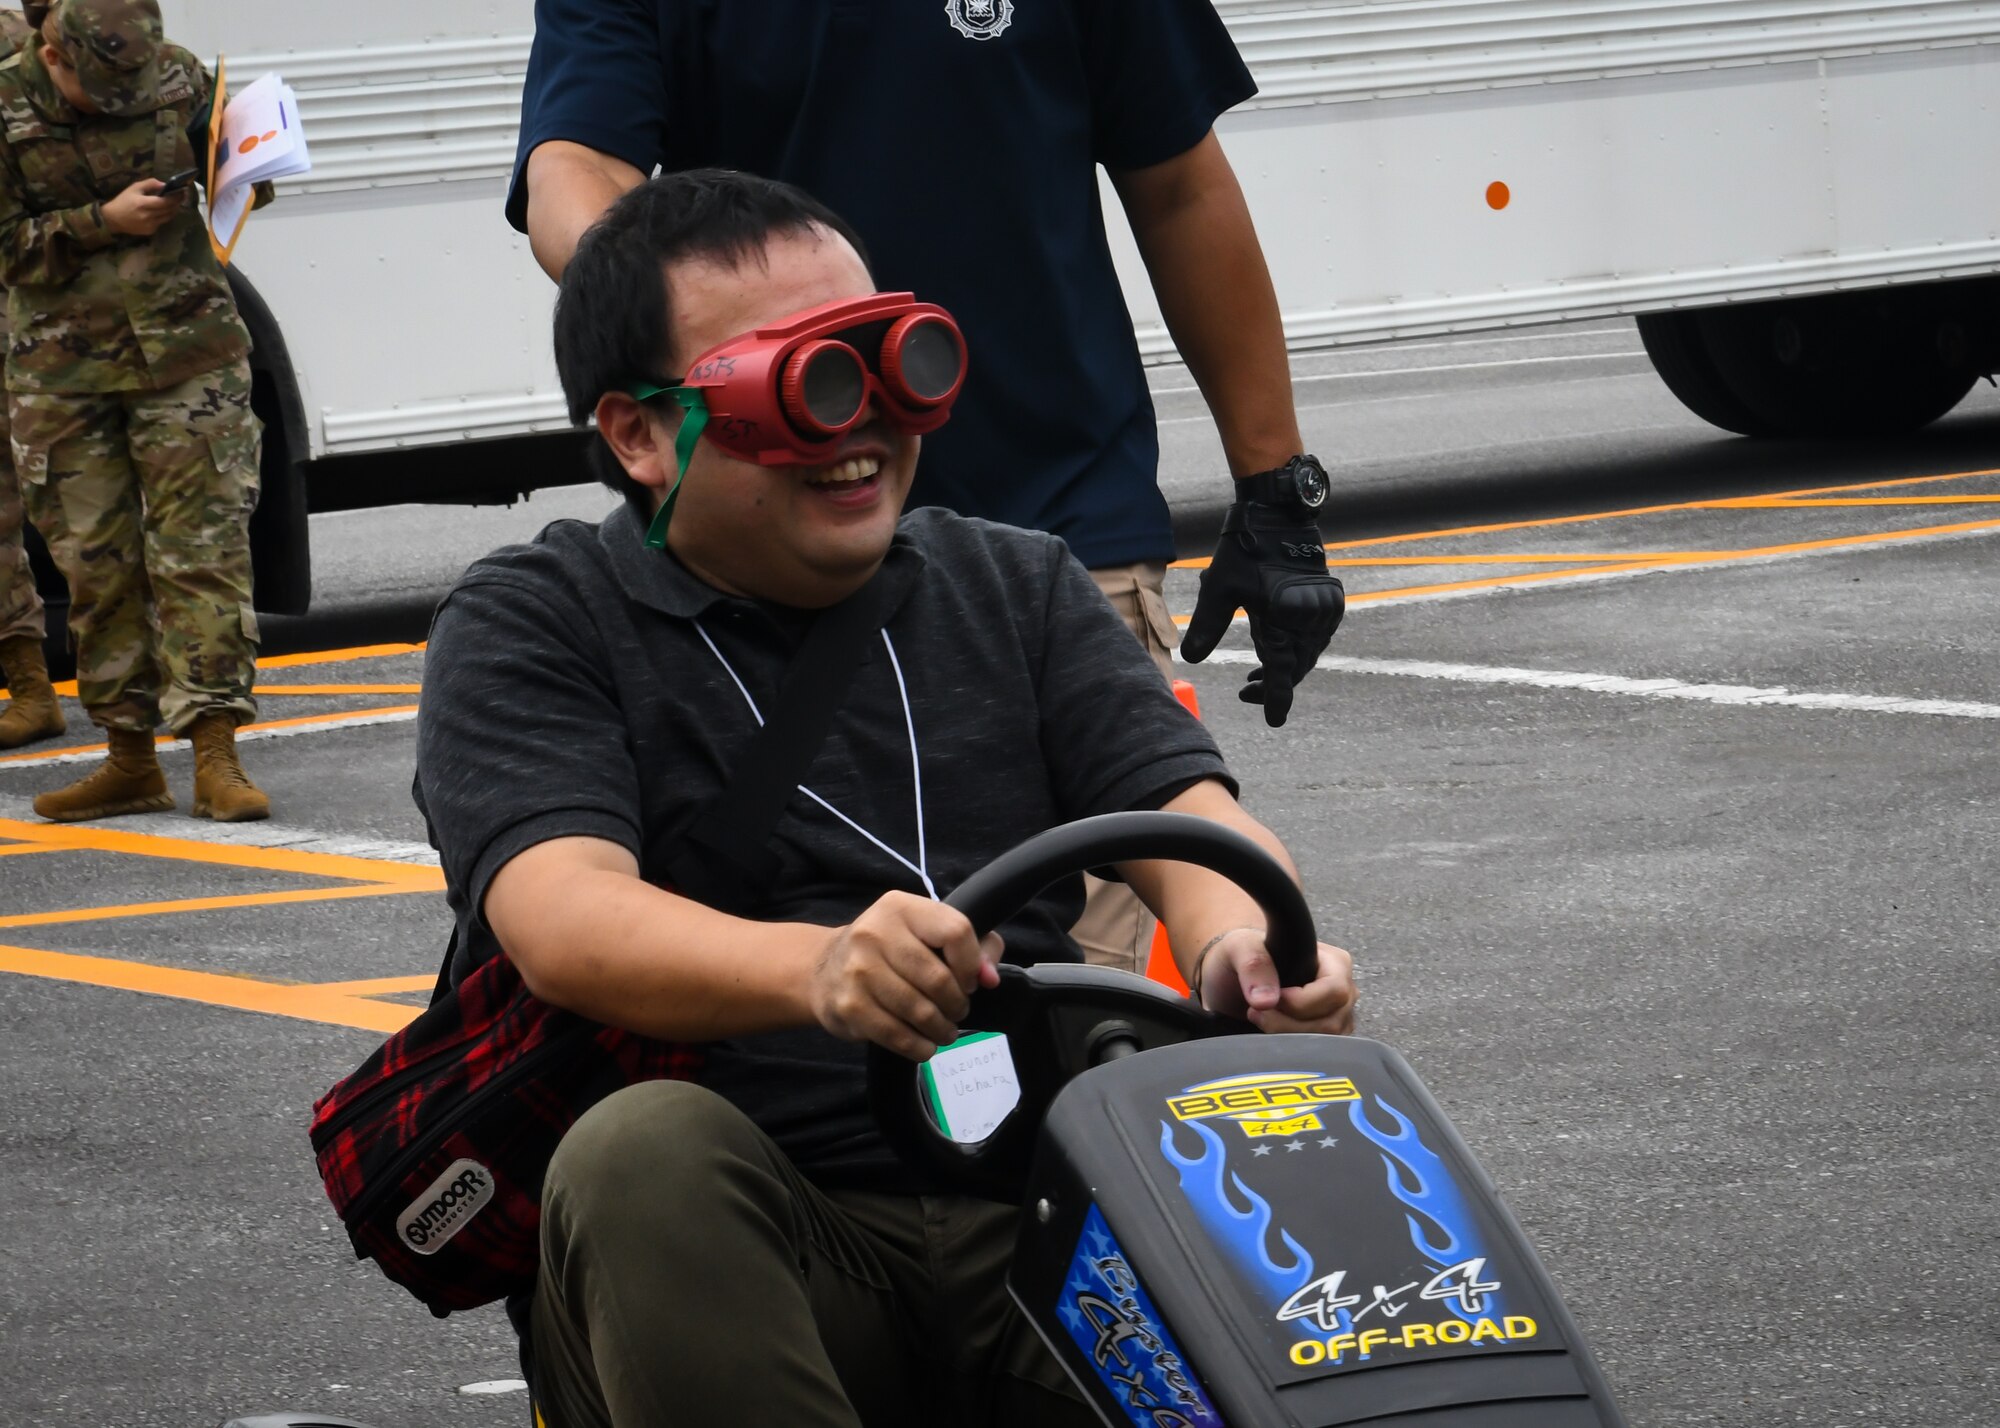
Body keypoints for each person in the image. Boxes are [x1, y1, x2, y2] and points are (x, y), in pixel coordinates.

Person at [413, 169, 1357, 1428]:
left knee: (1296, 1163)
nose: (853, 424)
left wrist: (1250, 941)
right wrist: (816, 972)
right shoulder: (538, 620)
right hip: (759, 1251)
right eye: (794, 383)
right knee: (638, 1150)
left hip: (1032, 1221)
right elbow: (564, 918)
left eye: (879, 361)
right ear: (639, 435)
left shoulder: (1014, 582)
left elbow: (1188, 821)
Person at [507, 0, 1349, 972]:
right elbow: (572, 169)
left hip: (1056, 524)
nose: (867, 387)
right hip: (751, 575)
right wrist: (728, 326)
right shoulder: (541, 621)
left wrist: (1279, 491)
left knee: (1071, 1028)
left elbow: (1179, 185)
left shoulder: (1031, 592)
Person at [0, 0, 269, 820]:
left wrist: (253, 169)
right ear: (51, 54)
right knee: (97, 567)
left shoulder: (178, 74)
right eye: (96, 87)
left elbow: (240, 176)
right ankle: (128, 759)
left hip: (189, 351)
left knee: (203, 552)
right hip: (63, 371)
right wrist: (96, 223)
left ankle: (217, 752)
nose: (121, 102)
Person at [0, 2, 64, 750]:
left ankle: (137, 717)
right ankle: (27, 686)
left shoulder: (15, 43)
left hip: (27, 316)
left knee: (68, 509)